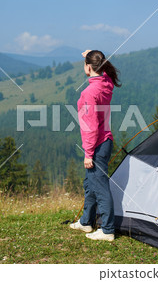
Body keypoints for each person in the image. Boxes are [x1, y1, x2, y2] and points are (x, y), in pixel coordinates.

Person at [69, 50, 121, 241]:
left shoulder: (89, 92)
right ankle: (86, 222)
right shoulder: (106, 84)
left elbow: (90, 127)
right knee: (90, 184)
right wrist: (91, 52)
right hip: (106, 141)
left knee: (99, 187)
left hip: (97, 143)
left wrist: (88, 153)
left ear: (88, 67)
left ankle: (107, 230)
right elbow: (104, 71)